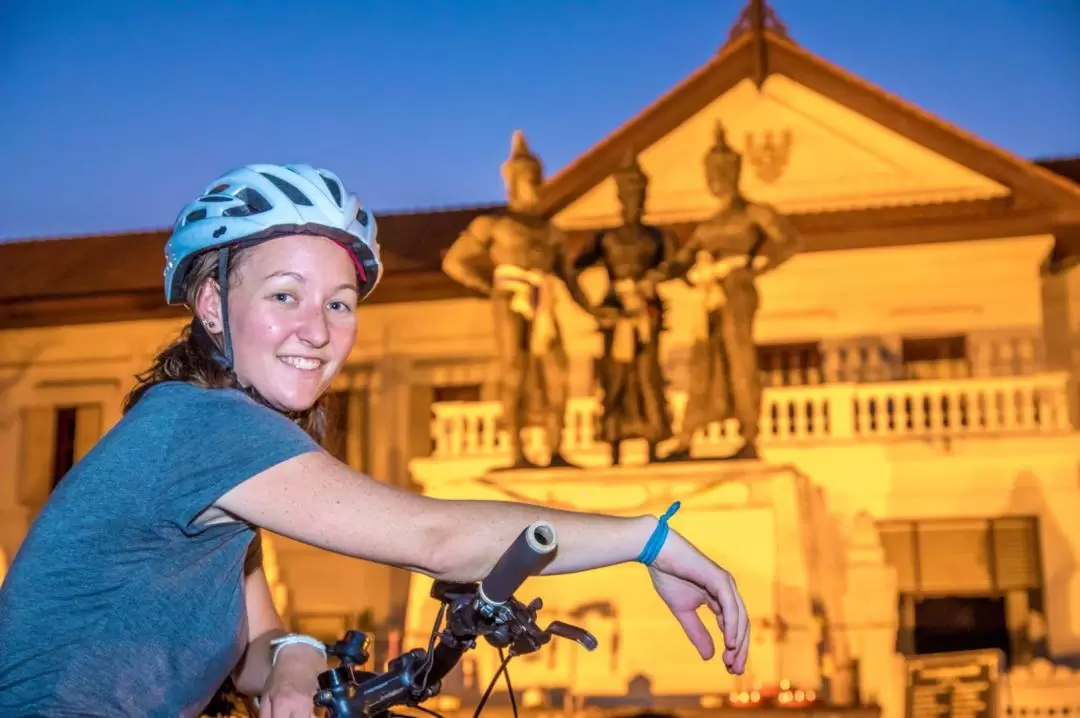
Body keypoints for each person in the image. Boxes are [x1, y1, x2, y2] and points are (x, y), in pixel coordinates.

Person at [0, 163, 750, 717]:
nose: (319, 330)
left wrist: (294, 661)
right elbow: (432, 534)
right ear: (212, 304)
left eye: (340, 302)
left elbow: (258, 643)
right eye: (283, 295)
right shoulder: (199, 426)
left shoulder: (220, 467)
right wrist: (647, 540)